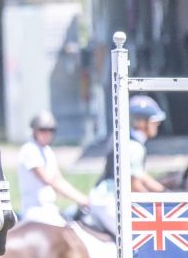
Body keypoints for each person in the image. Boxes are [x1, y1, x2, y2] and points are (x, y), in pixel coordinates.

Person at [87, 94, 168, 235]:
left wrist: (164, 192)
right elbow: (134, 185)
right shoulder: (135, 147)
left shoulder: (127, 140)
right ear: (142, 123)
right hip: (109, 200)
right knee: (132, 238)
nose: (158, 125)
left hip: (105, 196)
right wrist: (158, 201)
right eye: (154, 121)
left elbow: (140, 174)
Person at [16, 110, 89, 226]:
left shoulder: (48, 151)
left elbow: (59, 179)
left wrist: (83, 199)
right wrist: (81, 199)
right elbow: (49, 180)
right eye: (43, 130)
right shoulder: (29, 150)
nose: (47, 133)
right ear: (34, 131)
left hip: (50, 209)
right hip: (35, 212)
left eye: (51, 130)